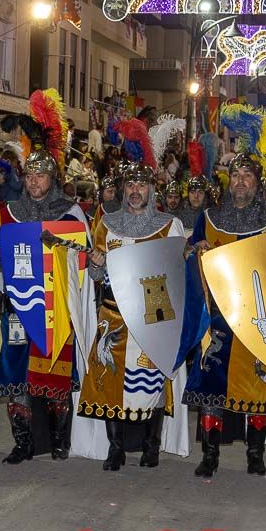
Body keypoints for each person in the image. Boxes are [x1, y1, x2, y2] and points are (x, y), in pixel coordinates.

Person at [186, 153, 266, 478]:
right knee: (211, 390)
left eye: (247, 176)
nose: (241, 181)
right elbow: (189, 253)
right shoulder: (208, 218)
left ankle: (255, 454)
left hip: (255, 323)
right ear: (228, 181)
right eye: (236, 176)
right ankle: (210, 454)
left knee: (256, 389)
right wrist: (194, 250)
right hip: (217, 320)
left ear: (257, 182)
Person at [80, 162, 186, 471]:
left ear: (152, 190)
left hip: (151, 318)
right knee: (108, 382)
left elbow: (177, 273)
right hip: (112, 315)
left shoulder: (169, 225)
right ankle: (115, 449)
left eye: (141, 185)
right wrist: (96, 263)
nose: (135, 191)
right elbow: (97, 274)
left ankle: (151, 447)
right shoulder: (106, 223)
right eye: (130, 185)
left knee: (151, 383)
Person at [0, 147, 90, 464]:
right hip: (18, 306)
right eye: (30, 175)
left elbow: (84, 259)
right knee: (18, 376)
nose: (34, 182)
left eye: (41, 176)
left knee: (55, 376)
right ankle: (23, 443)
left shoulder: (70, 213)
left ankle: (60, 441)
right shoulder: (7, 213)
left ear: (54, 179)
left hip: (54, 306)